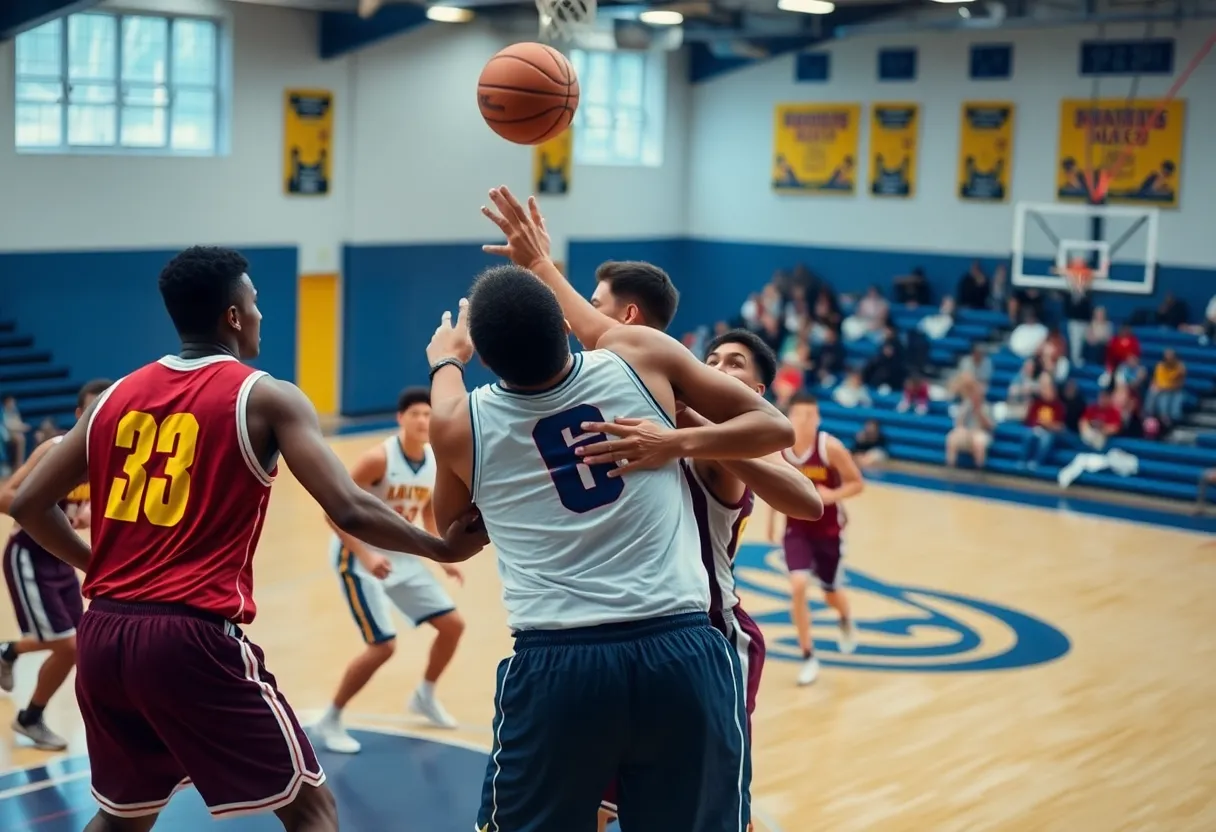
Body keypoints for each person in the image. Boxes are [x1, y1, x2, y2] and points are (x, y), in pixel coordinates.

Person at [9, 246, 488, 831]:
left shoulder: (113, 398)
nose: (262, 314)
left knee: (121, 819)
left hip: (105, 631)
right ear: (233, 317)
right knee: (312, 809)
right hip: (189, 637)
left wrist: (100, 567)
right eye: (255, 303)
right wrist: (439, 547)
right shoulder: (265, 396)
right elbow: (348, 505)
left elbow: (29, 505)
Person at [478, 186, 823, 831]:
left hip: (704, 639)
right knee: (603, 806)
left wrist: (679, 434)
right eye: (710, 358)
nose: (714, 366)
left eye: (732, 365)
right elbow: (603, 340)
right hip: (626, 641)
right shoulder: (634, 392)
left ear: (753, 389)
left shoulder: (715, 442)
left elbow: (804, 497)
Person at [315, 386, 467, 754]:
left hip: (400, 554)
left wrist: (439, 552)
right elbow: (334, 510)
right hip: (360, 558)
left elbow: (427, 511)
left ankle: (424, 695)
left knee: (452, 626)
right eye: (415, 414)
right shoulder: (377, 459)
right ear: (400, 418)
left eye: (428, 415)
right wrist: (365, 557)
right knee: (383, 646)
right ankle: (330, 718)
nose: (422, 421)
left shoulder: (432, 460)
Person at [0, 379, 112, 750]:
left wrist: (89, 512)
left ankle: (9, 653)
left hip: (61, 557)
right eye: (92, 413)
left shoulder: (111, 454)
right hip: (29, 555)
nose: (99, 420)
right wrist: (53, 508)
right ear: (79, 416)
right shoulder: (56, 449)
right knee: (69, 645)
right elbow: (7, 497)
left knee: (81, 645)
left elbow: (97, 500)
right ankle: (30, 717)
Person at [772, 393, 864, 686]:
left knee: (830, 594)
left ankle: (846, 618)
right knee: (798, 585)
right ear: (790, 417)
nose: (806, 420)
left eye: (812, 415)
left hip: (828, 533)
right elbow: (773, 484)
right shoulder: (781, 448)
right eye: (800, 414)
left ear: (819, 418)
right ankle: (808, 655)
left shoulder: (830, 448)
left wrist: (832, 496)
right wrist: (773, 520)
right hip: (797, 530)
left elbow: (857, 483)